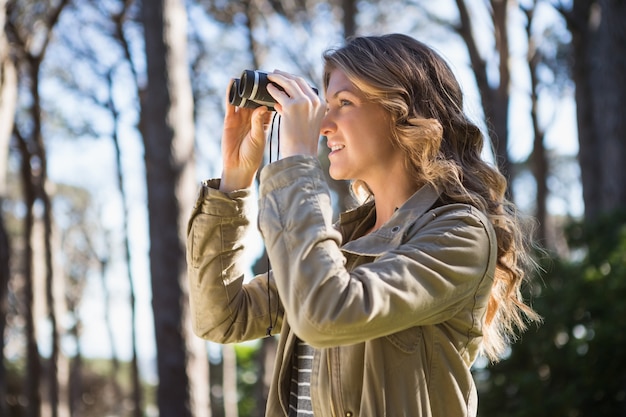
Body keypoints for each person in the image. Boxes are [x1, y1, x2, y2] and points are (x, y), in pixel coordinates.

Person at [186, 33, 540, 417]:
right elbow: (222, 319)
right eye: (326, 104)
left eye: (344, 103)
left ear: (403, 113)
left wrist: (296, 166)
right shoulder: (346, 243)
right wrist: (234, 181)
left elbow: (327, 312)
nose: (324, 125)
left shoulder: (460, 234)